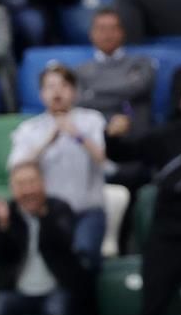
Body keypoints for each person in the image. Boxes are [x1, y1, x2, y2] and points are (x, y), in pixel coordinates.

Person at [104, 64, 181, 315]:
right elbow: (122, 154)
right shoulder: (164, 136)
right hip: (170, 237)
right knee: (152, 312)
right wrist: (112, 136)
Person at [9, 64, 108, 267]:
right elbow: (17, 168)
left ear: (74, 91)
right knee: (53, 263)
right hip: (49, 213)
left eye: (63, 86)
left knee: (85, 258)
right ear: (40, 94)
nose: (57, 91)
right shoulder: (30, 129)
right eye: (50, 86)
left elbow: (105, 160)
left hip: (87, 210)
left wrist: (78, 136)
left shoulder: (92, 120)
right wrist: (46, 142)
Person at [0, 161, 91, 315]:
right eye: (21, 184)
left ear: (43, 183)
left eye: (32, 183)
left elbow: (64, 244)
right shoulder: (7, 214)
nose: (28, 190)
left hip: (55, 289)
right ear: (12, 188)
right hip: (18, 290)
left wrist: (43, 217)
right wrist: (4, 227)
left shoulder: (59, 208)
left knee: (57, 312)